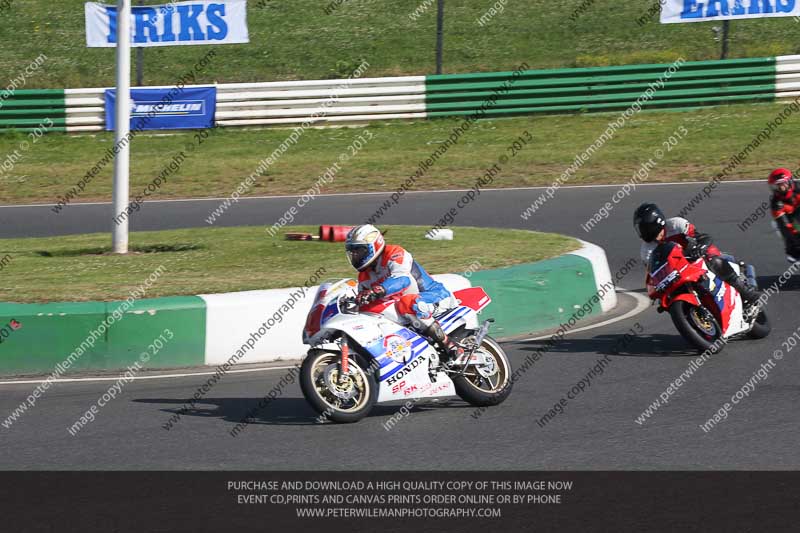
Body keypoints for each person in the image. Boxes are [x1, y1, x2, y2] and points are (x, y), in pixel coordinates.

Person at [344, 224, 464, 361]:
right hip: (404, 309)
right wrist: (355, 302)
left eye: (359, 250)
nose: (355, 255)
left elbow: (403, 280)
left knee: (407, 302)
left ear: (374, 245)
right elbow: (367, 302)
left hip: (433, 296)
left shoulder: (395, 253)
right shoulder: (364, 276)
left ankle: (450, 345)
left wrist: (377, 290)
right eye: (352, 252)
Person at [633, 202, 762, 305]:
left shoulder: (676, 224)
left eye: (644, 228)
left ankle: (746, 293)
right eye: (640, 229)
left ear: (656, 223)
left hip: (696, 256)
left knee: (713, 259)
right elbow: (654, 274)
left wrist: (700, 247)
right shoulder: (646, 250)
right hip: (676, 272)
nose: (642, 233)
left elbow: (703, 237)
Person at [768, 167, 800, 262]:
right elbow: (782, 223)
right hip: (793, 221)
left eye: (780, 185)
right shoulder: (776, 202)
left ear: (788, 182)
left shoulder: (798, 190)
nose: (778, 188)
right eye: (775, 186)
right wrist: (795, 238)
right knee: (778, 225)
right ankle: (793, 248)